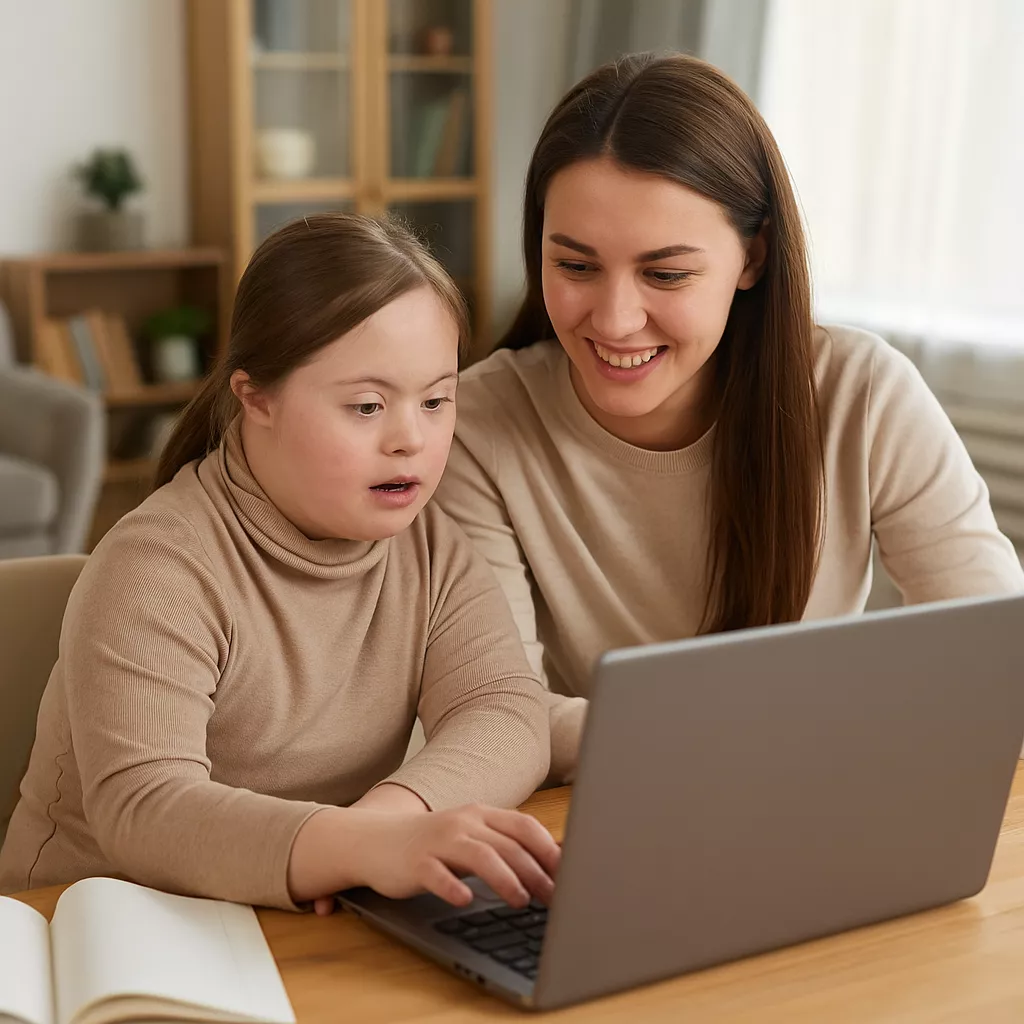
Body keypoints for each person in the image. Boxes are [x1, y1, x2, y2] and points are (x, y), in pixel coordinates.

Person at [436, 53, 1024, 784]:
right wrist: (778, 734)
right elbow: (505, 715)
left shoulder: (861, 393)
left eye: (666, 273)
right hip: (614, 809)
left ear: (753, 256)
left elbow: (994, 659)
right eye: (576, 266)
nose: (615, 320)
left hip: (819, 797)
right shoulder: (477, 426)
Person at [0, 214, 559, 913]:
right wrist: (357, 847)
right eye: (366, 405)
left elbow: (502, 708)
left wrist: (387, 823)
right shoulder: (159, 566)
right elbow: (146, 807)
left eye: (437, 400)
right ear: (255, 396)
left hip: (286, 911)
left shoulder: (431, 546)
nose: (411, 439)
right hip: (94, 923)